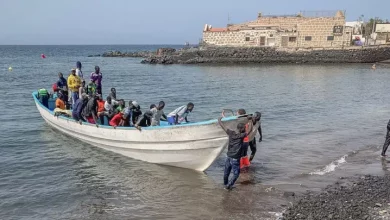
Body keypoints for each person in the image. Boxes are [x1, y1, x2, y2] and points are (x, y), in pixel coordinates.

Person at [218, 117, 248, 190]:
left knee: (226, 171)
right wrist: (250, 122)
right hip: (235, 157)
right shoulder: (241, 135)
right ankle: (228, 186)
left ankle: (225, 184)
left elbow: (223, 127)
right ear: (241, 129)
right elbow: (249, 132)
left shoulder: (231, 133)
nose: (245, 129)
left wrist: (219, 120)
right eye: (244, 128)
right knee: (236, 174)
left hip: (228, 156)